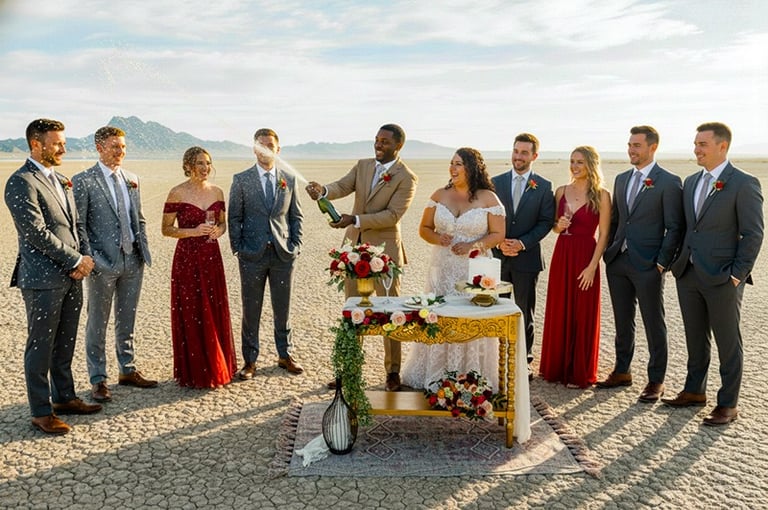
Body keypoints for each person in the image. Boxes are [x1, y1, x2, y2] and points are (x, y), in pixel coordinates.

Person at [4, 118, 102, 435]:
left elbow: (75, 226)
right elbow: (35, 232)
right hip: (42, 279)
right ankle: (41, 411)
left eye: (63, 141)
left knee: (65, 341)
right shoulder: (21, 181)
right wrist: (75, 258)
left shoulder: (61, 179)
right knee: (41, 345)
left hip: (72, 275)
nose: (63, 147)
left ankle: (65, 397)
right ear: (36, 143)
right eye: (57, 142)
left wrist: (83, 258)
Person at [664, 122, 763, 426]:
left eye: (702, 144)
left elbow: (753, 234)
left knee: (728, 342)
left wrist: (736, 275)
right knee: (695, 337)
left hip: (723, 277)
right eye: (695, 144)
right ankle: (694, 391)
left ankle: (728, 403)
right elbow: (685, 227)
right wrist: (677, 263)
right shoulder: (691, 182)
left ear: (723, 146)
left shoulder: (744, 183)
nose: (696, 149)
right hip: (689, 273)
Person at [305, 123, 418, 392]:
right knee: (353, 310)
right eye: (377, 140)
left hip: (386, 255)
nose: (378, 145)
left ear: (398, 146)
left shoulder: (407, 177)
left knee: (390, 312)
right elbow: (343, 186)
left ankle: (392, 372)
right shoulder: (363, 165)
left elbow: (392, 216)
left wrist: (353, 219)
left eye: (385, 142)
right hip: (354, 252)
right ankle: (349, 369)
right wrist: (323, 192)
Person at [401, 148, 506, 390]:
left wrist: (473, 245)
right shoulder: (440, 195)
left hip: (474, 271)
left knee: (470, 319)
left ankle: (471, 376)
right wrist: (438, 239)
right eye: (451, 163)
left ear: (472, 168)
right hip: (442, 268)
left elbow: (499, 234)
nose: (453, 168)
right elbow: (424, 229)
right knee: (440, 315)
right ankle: (437, 374)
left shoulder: (488, 198)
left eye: (459, 164)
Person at [597, 126, 683, 402]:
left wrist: (661, 263)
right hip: (618, 261)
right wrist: (610, 250)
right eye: (629, 145)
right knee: (623, 320)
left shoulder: (669, 182)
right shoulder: (621, 179)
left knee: (653, 322)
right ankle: (622, 371)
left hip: (649, 265)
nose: (631, 150)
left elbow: (675, 227)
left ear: (652, 147)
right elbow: (617, 219)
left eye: (636, 145)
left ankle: (656, 380)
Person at [72, 126, 157, 402]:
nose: (120, 151)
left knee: (127, 317)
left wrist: (141, 249)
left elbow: (139, 217)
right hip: (101, 264)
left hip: (133, 259)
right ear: (99, 147)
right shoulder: (83, 181)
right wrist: (91, 258)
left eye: (123, 147)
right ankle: (98, 378)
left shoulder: (132, 179)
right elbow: (80, 225)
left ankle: (127, 369)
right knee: (98, 321)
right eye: (114, 146)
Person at [229, 129, 304, 379]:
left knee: (283, 308)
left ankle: (285, 355)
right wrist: (239, 248)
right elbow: (234, 217)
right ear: (254, 148)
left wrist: (295, 245)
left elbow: (295, 216)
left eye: (270, 145)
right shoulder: (241, 180)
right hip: (252, 256)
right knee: (252, 310)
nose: (265, 149)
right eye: (260, 145)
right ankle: (250, 361)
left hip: (283, 255)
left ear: (277, 149)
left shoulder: (289, 179)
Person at [162, 147, 237, 388]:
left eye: (208, 163)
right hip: (187, 259)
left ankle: (219, 365)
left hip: (211, 258)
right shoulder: (177, 193)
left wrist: (218, 231)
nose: (205, 168)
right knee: (192, 309)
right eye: (200, 163)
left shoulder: (217, 191)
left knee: (214, 309)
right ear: (188, 166)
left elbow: (223, 224)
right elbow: (166, 229)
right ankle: (195, 372)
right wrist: (192, 232)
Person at [539, 146, 611, 388]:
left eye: (580, 161)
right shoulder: (560, 192)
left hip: (585, 257)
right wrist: (558, 225)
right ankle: (556, 368)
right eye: (572, 161)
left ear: (591, 164)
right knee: (560, 307)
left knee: (583, 312)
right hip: (563, 253)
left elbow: (603, 235)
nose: (575, 166)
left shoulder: (602, 195)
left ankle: (578, 371)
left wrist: (592, 266)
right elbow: (553, 228)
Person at [491, 133, 555, 379]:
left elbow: (545, 222)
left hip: (527, 259)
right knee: (497, 308)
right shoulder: (495, 182)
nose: (518, 156)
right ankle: (498, 357)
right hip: (498, 257)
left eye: (524, 152)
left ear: (534, 156)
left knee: (523, 310)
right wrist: (501, 243)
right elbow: (489, 217)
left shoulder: (543, 186)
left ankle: (524, 359)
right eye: (516, 151)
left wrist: (522, 243)